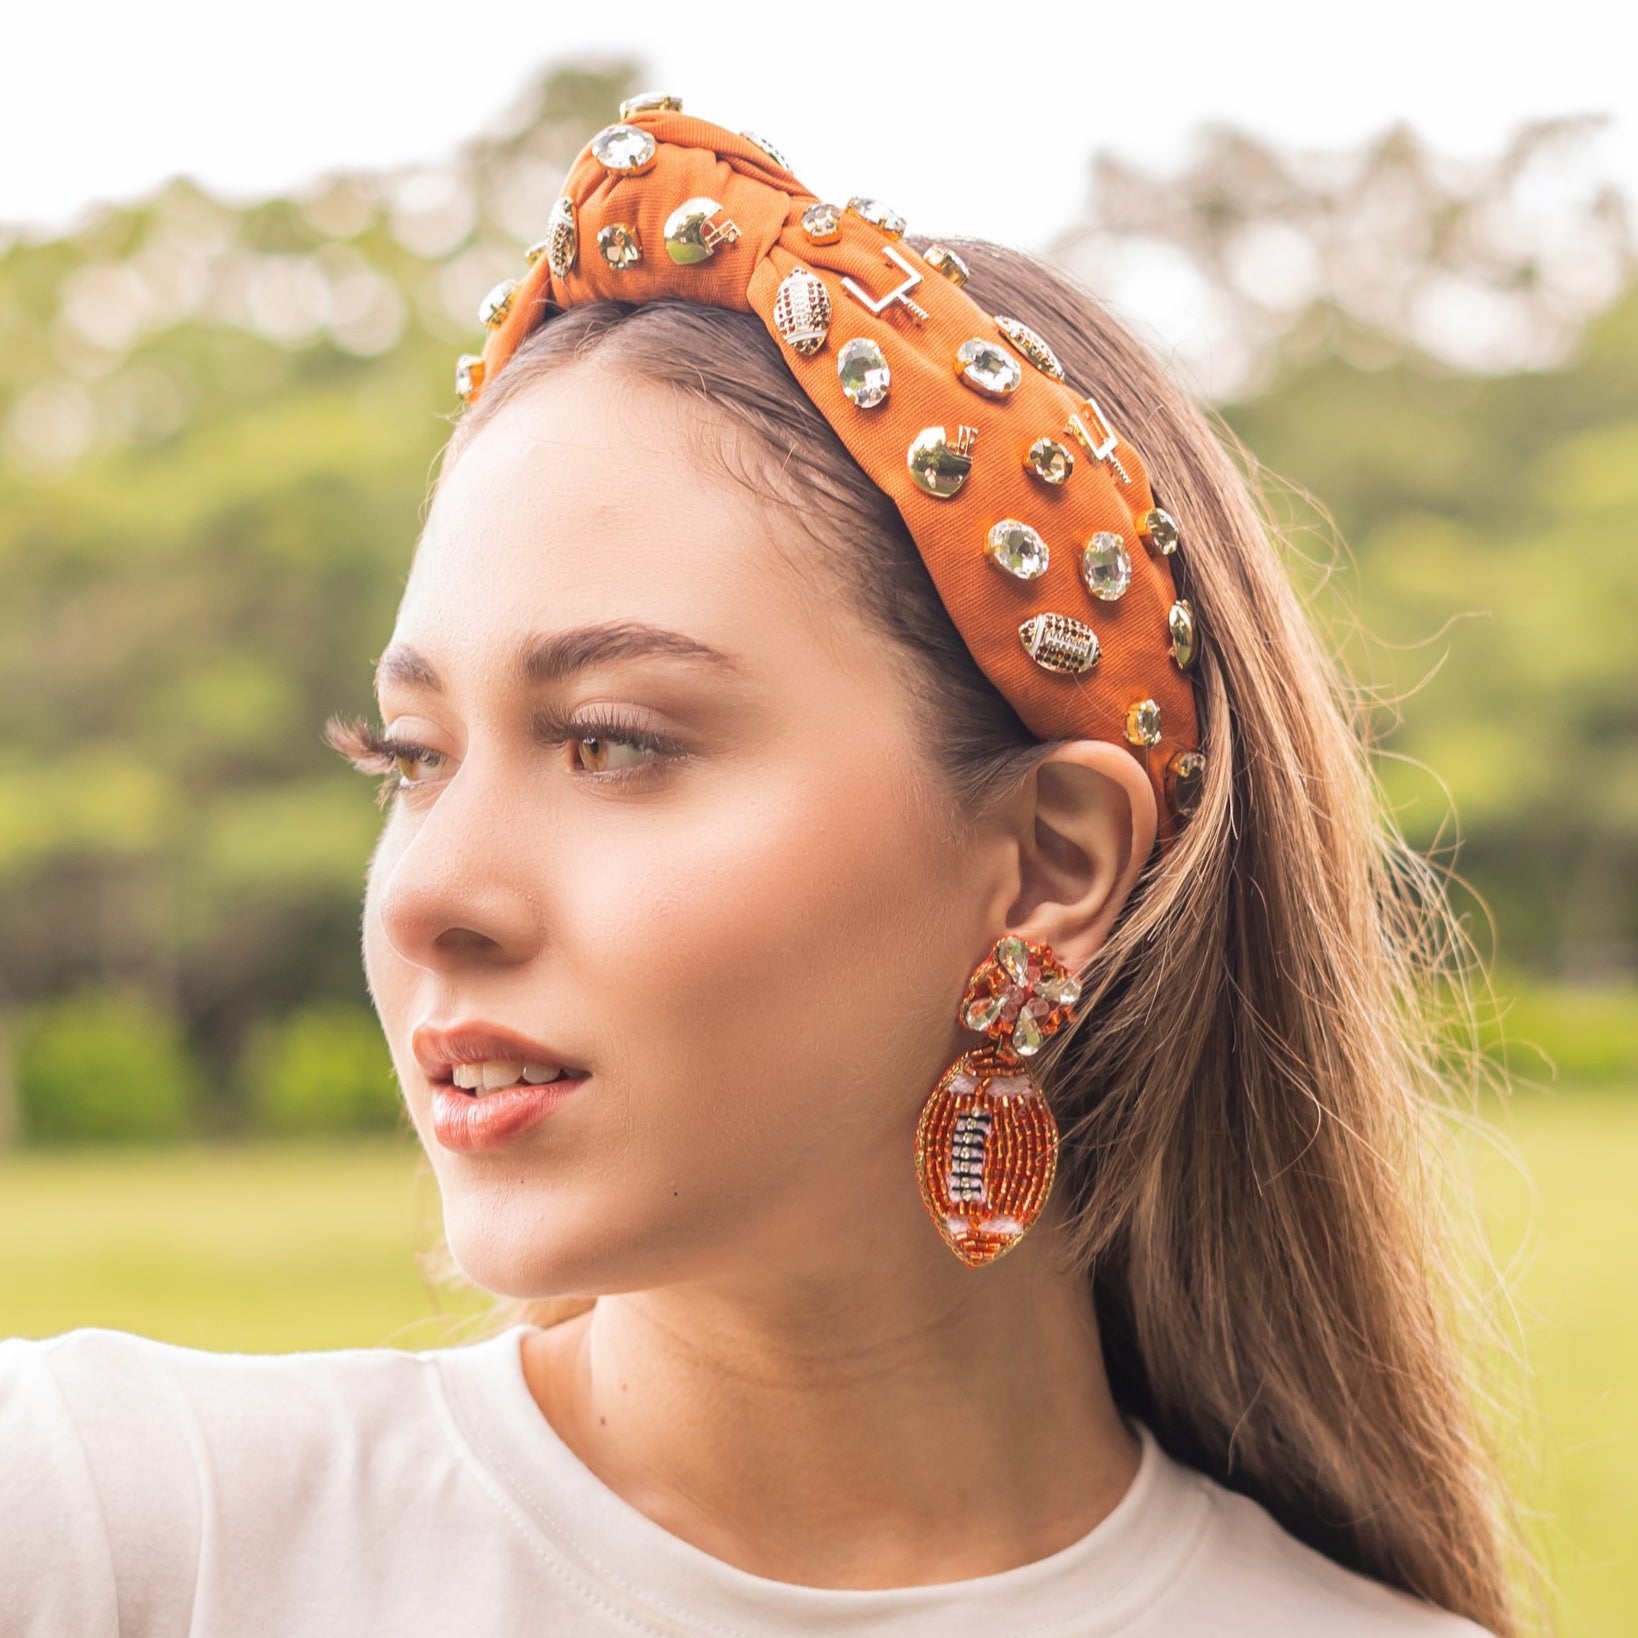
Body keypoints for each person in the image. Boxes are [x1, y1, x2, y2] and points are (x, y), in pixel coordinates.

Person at [0, 98, 1545, 1636]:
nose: (422, 897)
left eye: (611, 739)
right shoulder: (111, 1533)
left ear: (1047, 869)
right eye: (413, 757)